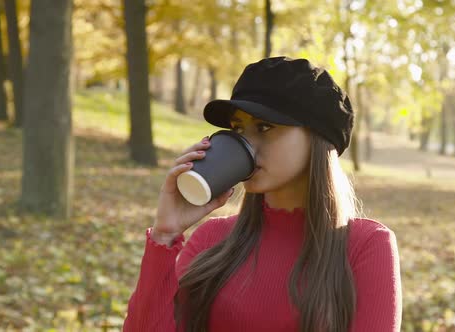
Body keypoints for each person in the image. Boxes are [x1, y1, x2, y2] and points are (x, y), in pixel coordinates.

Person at [123, 56, 402, 332]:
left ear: (318, 139)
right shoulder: (211, 239)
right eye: (239, 129)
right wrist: (165, 234)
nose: (246, 145)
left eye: (265, 127)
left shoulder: (366, 246)